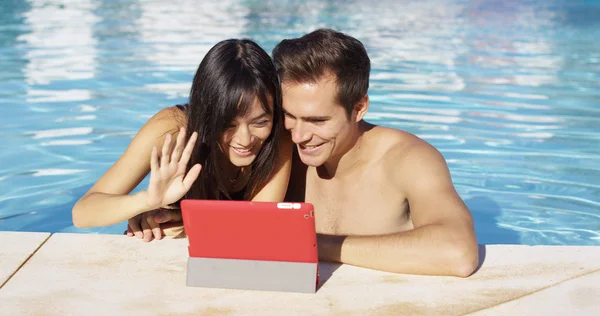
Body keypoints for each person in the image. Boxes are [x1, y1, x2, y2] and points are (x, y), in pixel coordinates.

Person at [273, 29, 479, 277]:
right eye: (290, 116)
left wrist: (315, 244)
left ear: (359, 108)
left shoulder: (407, 159)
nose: (298, 136)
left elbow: (458, 253)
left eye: (317, 120)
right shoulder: (282, 151)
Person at [71, 38, 292, 242]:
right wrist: (148, 201)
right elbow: (83, 213)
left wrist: (189, 225)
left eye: (259, 123)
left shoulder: (279, 133)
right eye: (228, 124)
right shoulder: (173, 129)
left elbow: (260, 223)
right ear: (206, 113)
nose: (245, 139)